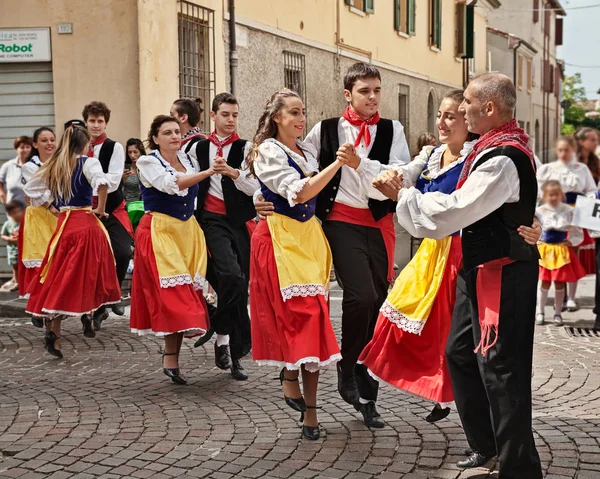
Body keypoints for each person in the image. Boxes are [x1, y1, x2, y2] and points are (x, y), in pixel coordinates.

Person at [373, 73, 542, 477]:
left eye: (466, 103)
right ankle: (485, 445)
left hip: (505, 272)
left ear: (488, 108)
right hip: (478, 267)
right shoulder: (485, 149)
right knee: (460, 354)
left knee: (502, 369)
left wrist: (404, 197)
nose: (460, 110)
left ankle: (519, 467)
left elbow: (453, 211)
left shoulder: (502, 157)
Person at [303, 62, 411, 428]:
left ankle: (366, 393)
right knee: (360, 296)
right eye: (365, 91)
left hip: (379, 224)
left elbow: (396, 174)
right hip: (340, 221)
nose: (373, 97)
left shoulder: (393, 129)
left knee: (378, 306)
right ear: (348, 94)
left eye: (377, 90)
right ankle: (347, 369)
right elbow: (302, 166)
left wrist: (361, 162)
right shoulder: (326, 129)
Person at [358, 89, 477, 423]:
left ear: (468, 120)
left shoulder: (475, 159)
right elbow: (401, 175)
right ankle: (372, 372)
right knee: (396, 312)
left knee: (446, 330)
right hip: (430, 251)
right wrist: (383, 177)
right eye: (439, 114)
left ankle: (450, 396)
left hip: (459, 252)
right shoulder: (430, 155)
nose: (441, 122)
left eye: (450, 115)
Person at [248, 89, 345, 440]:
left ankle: (311, 409)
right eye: (293, 112)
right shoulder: (268, 150)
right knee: (300, 319)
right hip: (279, 240)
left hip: (307, 239)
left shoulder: (304, 150)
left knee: (315, 320)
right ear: (277, 117)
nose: (301, 119)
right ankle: (296, 386)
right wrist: (337, 164)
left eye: (303, 111)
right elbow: (299, 192)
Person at [24, 126, 120, 359]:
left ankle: (55, 335)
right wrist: (100, 209)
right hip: (86, 224)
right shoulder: (88, 163)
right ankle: (88, 314)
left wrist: (53, 208)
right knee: (90, 274)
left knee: (60, 278)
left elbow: (31, 190)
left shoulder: (53, 165)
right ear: (85, 144)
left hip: (63, 226)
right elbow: (103, 183)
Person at [129, 115, 212, 385]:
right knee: (175, 294)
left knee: (184, 290)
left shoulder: (188, 160)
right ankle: (172, 356)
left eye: (177, 131)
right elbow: (170, 184)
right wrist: (209, 172)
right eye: (167, 133)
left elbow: (194, 196)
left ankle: (171, 359)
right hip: (161, 230)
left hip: (187, 232)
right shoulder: (148, 161)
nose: (175, 136)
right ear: (155, 138)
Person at [188, 92, 258, 381]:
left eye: (235, 115)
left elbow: (256, 187)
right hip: (210, 221)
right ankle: (229, 342)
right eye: (225, 114)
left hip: (239, 222)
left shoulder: (247, 147)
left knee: (239, 284)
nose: (231, 120)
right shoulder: (197, 148)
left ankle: (226, 342)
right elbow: (188, 183)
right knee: (229, 276)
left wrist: (232, 172)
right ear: (213, 116)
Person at [83, 101, 132, 326]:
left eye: (100, 121)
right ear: (86, 122)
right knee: (89, 260)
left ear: (106, 123)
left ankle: (112, 295)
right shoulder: (78, 147)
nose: (96, 125)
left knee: (121, 252)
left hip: (111, 208)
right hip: (84, 211)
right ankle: (93, 306)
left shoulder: (115, 147)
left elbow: (112, 181)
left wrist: (91, 185)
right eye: (92, 121)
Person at [537, 136, 597, 312]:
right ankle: (553, 294)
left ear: (573, 151)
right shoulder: (548, 169)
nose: (564, 154)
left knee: (572, 253)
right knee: (551, 251)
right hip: (553, 211)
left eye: (567, 150)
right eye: (561, 150)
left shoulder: (581, 169)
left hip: (574, 211)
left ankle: (570, 297)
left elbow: (592, 190)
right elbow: (538, 191)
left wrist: (587, 204)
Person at [535, 180, 585, 326]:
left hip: (560, 250)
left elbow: (577, 229)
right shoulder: (540, 211)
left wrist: (572, 241)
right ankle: (540, 311)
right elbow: (535, 226)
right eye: (550, 195)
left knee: (559, 282)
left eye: (557, 194)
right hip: (545, 250)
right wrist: (536, 240)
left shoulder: (568, 211)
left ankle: (558, 312)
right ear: (545, 195)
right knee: (543, 281)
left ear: (561, 194)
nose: (554, 197)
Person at [18, 127, 58, 301]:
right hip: (39, 217)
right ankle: (38, 305)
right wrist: (51, 205)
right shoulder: (29, 167)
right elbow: (38, 192)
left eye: (52, 139)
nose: (49, 144)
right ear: (35, 144)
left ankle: (52, 307)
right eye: (44, 140)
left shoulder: (61, 162)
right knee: (40, 260)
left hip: (58, 216)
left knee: (57, 261)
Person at [574, 127, 600, 279]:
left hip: (590, 209)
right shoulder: (570, 160)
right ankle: (565, 294)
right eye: (592, 139)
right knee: (570, 250)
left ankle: (571, 293)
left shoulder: (595, 161)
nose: (596, 142)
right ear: (581, 141)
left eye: (596, 139)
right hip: (572, 208)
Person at [0, 136, 32, 206]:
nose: (25, 150)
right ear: (16, 149)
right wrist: (1, 194)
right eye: (22, 147)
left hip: (33, 210)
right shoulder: (8, 166)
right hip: (14, 211)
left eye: (28, 147)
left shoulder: (36, 165)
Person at [1, 200, 25, 291]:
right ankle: (17, 282)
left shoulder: (26, 222)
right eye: (14, 213)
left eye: (19, 211)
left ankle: (24, 283)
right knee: (15, 266)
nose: (17, 214)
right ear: (9, 214)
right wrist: (10, 239)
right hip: (13, 250)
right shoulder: (8, 224)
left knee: (24, 267)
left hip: (25, 250)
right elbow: (3, 235)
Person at [123, 138, 145, 205]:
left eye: (135, 152)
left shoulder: (147, 167)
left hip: (144, 205)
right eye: (130, 152)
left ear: (141, 152)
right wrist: (122, 179)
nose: (132, 155)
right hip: (128, 205)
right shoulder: (125, 168)